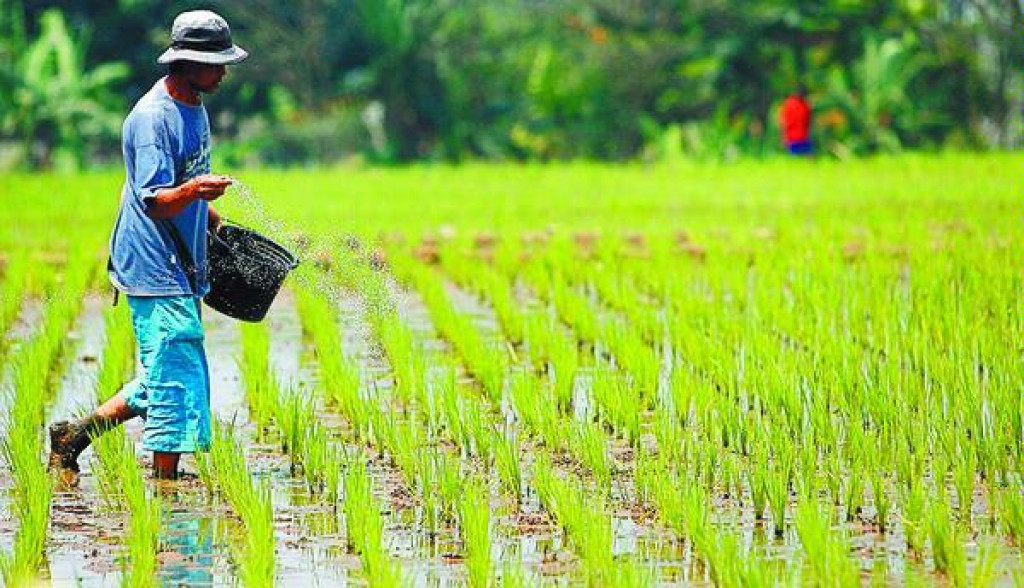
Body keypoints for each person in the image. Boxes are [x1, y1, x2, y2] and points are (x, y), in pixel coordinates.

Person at [48, 10, 247, 480]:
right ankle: (165, 482)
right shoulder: (152, 118)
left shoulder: (193, 106)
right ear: (188, 62)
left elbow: (183, 180)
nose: (222, 71)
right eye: (215, 62)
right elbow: (156, 199)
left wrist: (213, 220)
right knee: (175, 368)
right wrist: (197, 193)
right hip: (153, 263)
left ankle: (75, 436)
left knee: (169, 363)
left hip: (182, 258)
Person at [779, 86, 813, 156]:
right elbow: (784, 122)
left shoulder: (805, 105)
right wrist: (784, 137)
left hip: (802, 138)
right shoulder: (791, 104)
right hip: (793, 139)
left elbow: (808, 123)